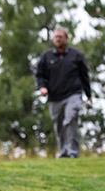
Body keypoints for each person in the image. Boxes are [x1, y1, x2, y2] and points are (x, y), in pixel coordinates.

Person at [35, 27, 92, 158]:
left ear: (66, 38)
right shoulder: (46, 57)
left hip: (73, 94)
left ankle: (72, 151)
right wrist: (42, 87)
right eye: (56, 37)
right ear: (53, 39)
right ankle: (63, 151)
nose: (58, 38)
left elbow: (84, 76)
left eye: (61, 36)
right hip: (55, 97)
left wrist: (88, 95)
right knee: (59, 125)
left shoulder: (76, 56)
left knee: (70, 120)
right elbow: (40, 75)